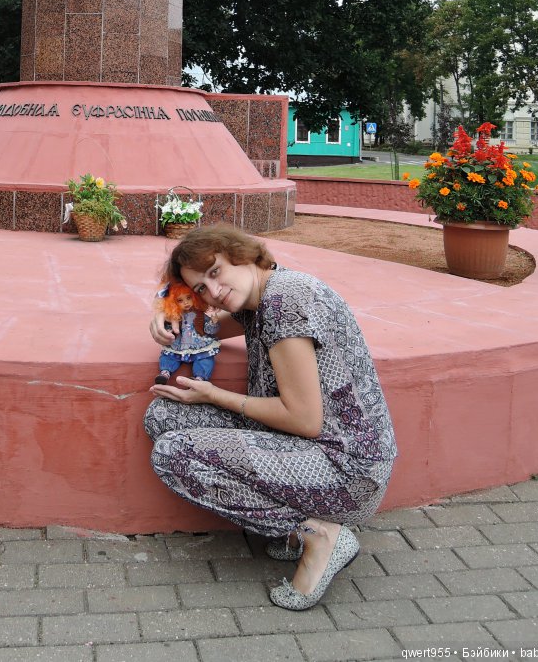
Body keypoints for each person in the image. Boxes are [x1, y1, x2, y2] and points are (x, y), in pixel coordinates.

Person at [145, 224, 397, 610]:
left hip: (347, 469)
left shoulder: (284, 301)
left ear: (241, 255)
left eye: (215, 272)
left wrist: (213, 395)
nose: (213, 291)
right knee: (163, 416)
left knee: (172, 453)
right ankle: (297, 530)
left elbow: (304, 419)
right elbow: (202, 326)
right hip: (304, 445)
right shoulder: (260, 296)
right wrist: (166, 310)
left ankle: (317, 535)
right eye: (200, 288)